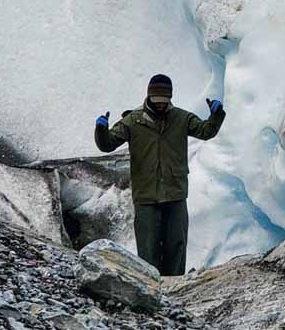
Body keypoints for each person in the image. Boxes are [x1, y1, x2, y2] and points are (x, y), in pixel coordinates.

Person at [94, 73, 226, 274]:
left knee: (176, 245)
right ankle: (151, 288)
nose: (160, 105)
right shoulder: (132, 121)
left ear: (170, 98)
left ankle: (174, 290)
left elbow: (205, 131)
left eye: (164, 100)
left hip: (175, 192)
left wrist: (216, 116)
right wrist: (101, 130)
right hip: (146, 195)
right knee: (148, 249)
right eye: (156, 100)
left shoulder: (181, 118)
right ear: (149, 96)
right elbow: (107, 145)